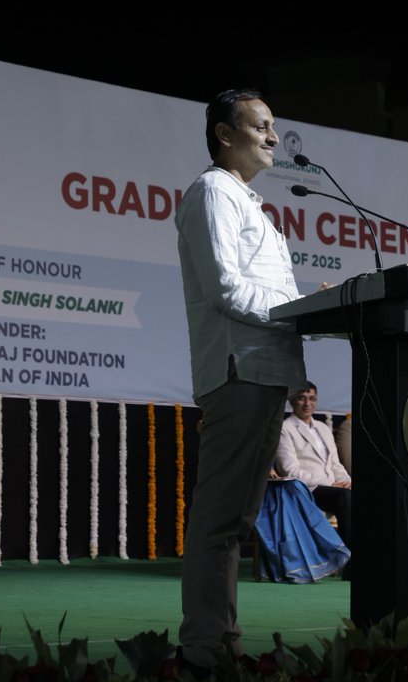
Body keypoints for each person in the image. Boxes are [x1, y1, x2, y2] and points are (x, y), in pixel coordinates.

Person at [175, 89, 307, 672]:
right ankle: (205, 646)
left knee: (237, 521)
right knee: (219, 518)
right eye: (262, 126)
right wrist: (297, 309)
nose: (274, 137)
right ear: (226, 135)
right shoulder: (211, 192)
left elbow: (267, 295)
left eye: (273, 127)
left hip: (266, 374)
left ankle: (222, 641)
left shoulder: (250, 203)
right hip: (237, 372)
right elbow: (225, 287)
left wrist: (305, 307)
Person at [274, 383, 352, 551]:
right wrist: (329, 483)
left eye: (312, 399)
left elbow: (335, 463)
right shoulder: (285, 429)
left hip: (332, 488)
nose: (307, 403)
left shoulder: (323, 428)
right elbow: (290, 470)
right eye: (302, 398)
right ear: (292, 401)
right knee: (344, 497)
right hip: (306, 489)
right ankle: (351, 561)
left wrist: (346, 480)